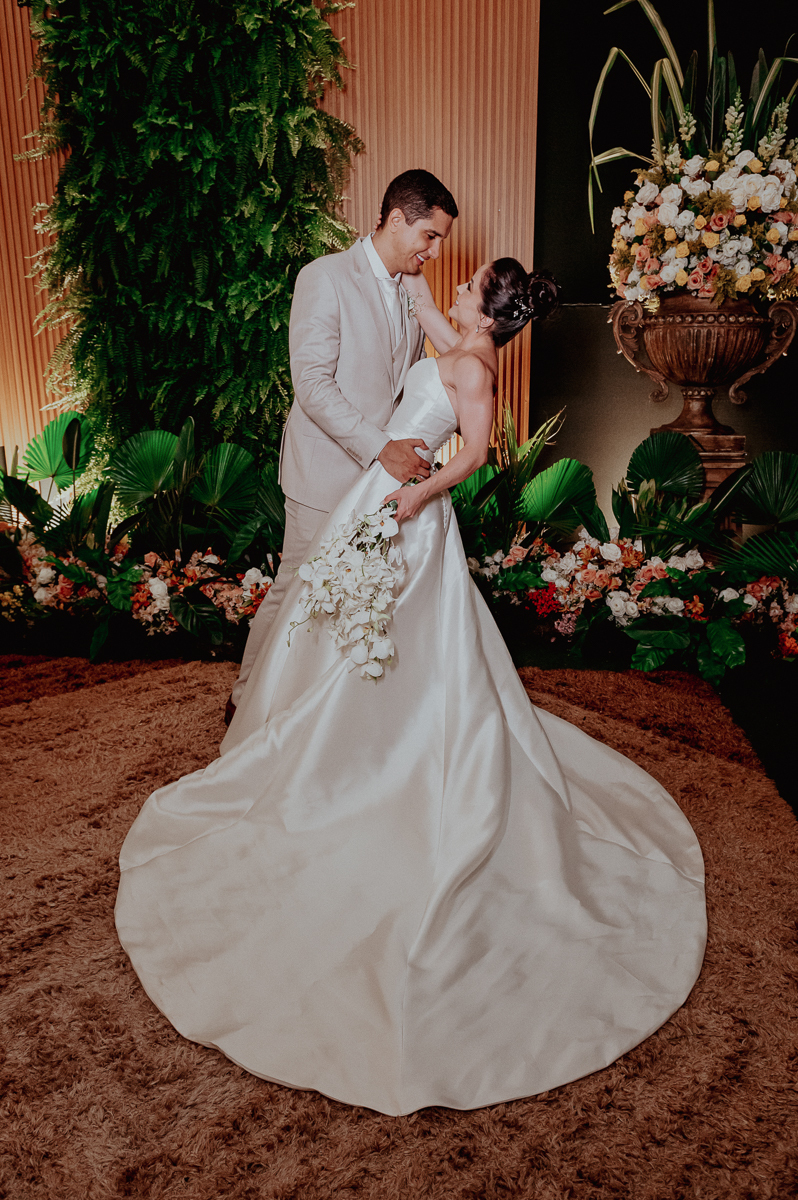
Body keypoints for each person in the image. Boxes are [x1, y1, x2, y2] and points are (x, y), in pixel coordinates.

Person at [115, 256, 706, 1117]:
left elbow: (473, 454)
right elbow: (429, 313)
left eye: (470, 287)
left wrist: (416, 495)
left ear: (491, 315)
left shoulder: (474, 366)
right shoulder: (459, 338)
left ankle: (389, 757)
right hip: (377, 496)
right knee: (342, 628)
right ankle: (344, 740)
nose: (455, 287)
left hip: (407, 513)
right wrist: (406, 268)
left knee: (402, 642)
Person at [225, 169, 458, 724]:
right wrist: (381, 448)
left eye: (441, 239)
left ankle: (324, 711)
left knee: (354, 595)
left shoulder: (412, 289)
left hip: (379, 479)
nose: (435, 250)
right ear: (396, 219)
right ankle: (242, 699)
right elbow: (312, 385)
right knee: (295, 588)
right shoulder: (324, 277)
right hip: (325, 468)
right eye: (430, 235)